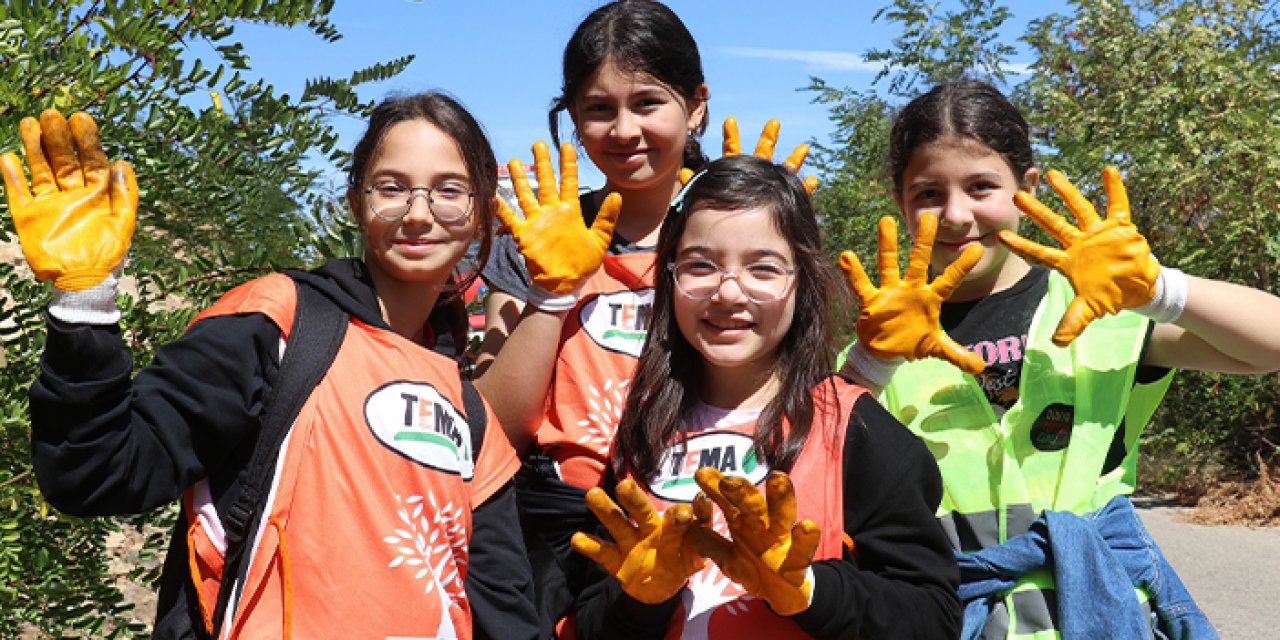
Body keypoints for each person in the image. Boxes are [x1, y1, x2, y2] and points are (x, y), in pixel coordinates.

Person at [1, 94, 539, 639]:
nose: (419, 214)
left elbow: (505, 615)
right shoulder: (278, 324)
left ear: (480, 215)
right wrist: (85, 301)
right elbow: (96, 472)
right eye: (392, 188)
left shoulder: (468, 411)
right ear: (355, 203)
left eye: (449, 191)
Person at [837, 79, 1280, 639]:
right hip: (950, 618)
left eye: (981, 186)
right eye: (928, 193)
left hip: (1104, 613)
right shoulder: (878, 345)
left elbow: (1270, 345)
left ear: (1027, 187)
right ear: (899, 201)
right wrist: (872, 363)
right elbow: (818, 466)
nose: (955, 214)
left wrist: (1158, 291)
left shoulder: (1107, 311)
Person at [473, 1, 810, 633]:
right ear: (572, 117)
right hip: (560, 532)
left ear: (697, 105)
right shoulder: (538, 236)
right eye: (599, 109)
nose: (624, 130)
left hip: (714, 509)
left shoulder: (750, 226)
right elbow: (496, 425)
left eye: (648, 103)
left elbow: (801, 378)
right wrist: (554, 290)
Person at [566, 154, 961, 639]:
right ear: (667, 280)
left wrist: (809, 591)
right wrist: (638, 603)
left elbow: (934, 617)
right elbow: (584, 624)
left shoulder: (859, 433)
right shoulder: (640, 429)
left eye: (763, 269)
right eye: (700, 266)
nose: (729, 293)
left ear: (804, 283)